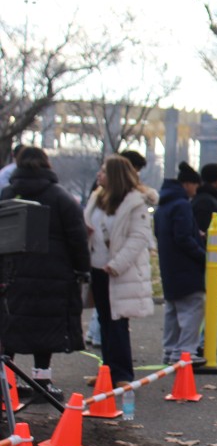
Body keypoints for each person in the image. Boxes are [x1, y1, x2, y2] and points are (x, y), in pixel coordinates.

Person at [0, 147, 90, 401]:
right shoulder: (61, 197)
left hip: (13, 272)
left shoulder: (8, 194)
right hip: (53, 274)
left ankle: (7, 382)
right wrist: (82, 268)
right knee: (46, 327)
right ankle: (42, 381)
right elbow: (77, 238)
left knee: (10, 325)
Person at [84, 155, 156, 386]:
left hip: (119, 272)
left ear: (115, 175)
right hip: (97, 268)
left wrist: (117, 264)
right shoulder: (97, 198)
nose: (99, 174)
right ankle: (107, 371)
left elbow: (139, 238)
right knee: (104, 320)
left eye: (104, 171)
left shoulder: (135, 203)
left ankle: (122, 374)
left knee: (117, 322)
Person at [155, 162, 206, 365]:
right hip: (186, 266)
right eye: (195, 185)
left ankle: (170, 350)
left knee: (173, 309)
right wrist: (203, 255)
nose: (196, 190)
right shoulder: (182, 205)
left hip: (168, 264)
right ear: (187, 184)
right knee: (193, 307)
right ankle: (185, 352)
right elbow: (183, 237)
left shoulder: (164, 204)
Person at [191, 163, 217, 284]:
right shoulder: (205, 202)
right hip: (211, 262)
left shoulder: (208, 199)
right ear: (216, 179)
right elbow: (204, 234)